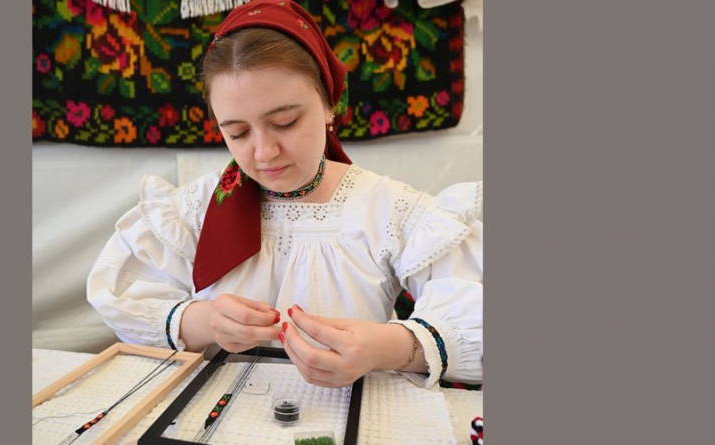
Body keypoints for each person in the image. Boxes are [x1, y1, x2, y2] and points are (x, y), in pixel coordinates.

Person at [87, 0, 482, 389]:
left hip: (356, 412)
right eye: (237, 132)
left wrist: (389, 348)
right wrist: (206, 321)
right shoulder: (191, 211)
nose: (264, 152)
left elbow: (480, 315)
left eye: (285, 122)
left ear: (328, 105)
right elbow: (127, 306)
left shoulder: (390, 209)